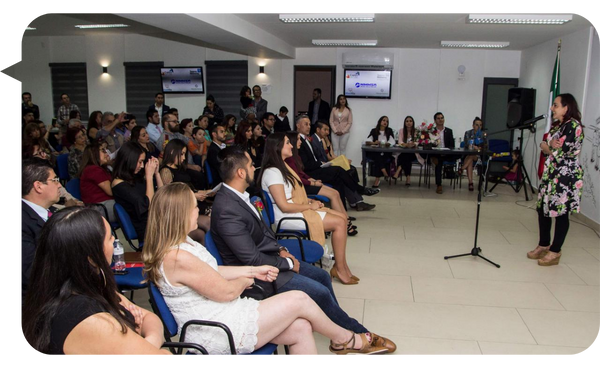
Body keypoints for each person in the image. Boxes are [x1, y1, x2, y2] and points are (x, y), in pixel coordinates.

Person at [143, 183, 386, 357]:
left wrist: (252, 270)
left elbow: (213, 270)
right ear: (180, 214)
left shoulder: (182, 244)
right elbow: (226, 292)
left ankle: (344, 339)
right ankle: (345, 339)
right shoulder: (176, 257)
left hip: (223, 313)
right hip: (216, 327)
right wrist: (246, 280)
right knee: (299, 299)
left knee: (301, 327)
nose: (199, 210)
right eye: (194, 207)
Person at [210, 146, 396, 354]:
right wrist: (288, 263)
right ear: (241, 173)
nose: (255, 167)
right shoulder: (227, 208)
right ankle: (354, 335)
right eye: (251, 165)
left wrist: (281, 250)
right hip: (259, 277)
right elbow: (251, 258)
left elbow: (264, 234)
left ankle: (339, 331)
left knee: (322, 277)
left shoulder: (241, 197)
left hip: (271, 259)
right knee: (320, 292)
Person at [21, 206, 170, 358]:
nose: (114, 243)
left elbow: (150, 319)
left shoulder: (83, 287)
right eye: (110, 239)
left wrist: (148, 343)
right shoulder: (83, 315)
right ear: (91, 258)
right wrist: (149, 345)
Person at [259, 133, 359, 284]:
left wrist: (309, 201)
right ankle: (339, 268)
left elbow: (292, 196)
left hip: (295, 210)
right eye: (288, 143)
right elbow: (284, 205)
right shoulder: (272, 172)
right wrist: (309, 205)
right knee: (339, 222)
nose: (292, 145)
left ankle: (342, 266)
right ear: (278, 147)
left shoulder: (282, 166)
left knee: (343, 217)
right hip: (287, 217)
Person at [528, 93, 585, 266]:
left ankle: (555, 251)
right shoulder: (558, 126)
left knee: (561, 213)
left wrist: (549, 146)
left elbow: (559, 150)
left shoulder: (574, 126)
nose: (552, 108)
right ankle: (543, 244)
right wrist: (548, 145)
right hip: (551, 175)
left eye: (556, 105)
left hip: (565, 177)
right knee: (543, 209)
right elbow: (546, 144)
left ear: (566, 108)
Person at [296, 115, 377, 212]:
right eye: (306, 124)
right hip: (311, 173)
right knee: (338, 170)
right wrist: (321, 163)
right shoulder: (298, 141)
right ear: (298, 125)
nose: (309, 126)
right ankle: (359, 189)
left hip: (317, 168)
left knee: (339, 180)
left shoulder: (307, 139)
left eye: (309, 124)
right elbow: (306, 164)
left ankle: (342, 212)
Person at [19, 158, 63, 326]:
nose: (59, 185)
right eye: (55, 180)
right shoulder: (22, 221)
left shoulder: (49, 212)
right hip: (39, 304)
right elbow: (28, 273)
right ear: (38, 186)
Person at [286, 131, 356, 236]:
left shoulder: (296, 156)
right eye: (298, 139)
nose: (300, 141)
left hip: (306, 183)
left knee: (335, 193)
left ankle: (346, 219)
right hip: (302, 187)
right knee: (333, 194)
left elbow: (302, 173)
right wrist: (312, 183)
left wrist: (312, 179)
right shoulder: (290, 159)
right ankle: (346, 224)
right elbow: (297, 178)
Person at [159, 139, 212, 244]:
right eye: (182, 154)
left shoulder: (179, 168)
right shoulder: (166, 171)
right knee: (209, 222)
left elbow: (189, 188)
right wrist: (193, 196)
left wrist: (205, 192)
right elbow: (170, 197)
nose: (183, 158)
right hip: (180, 212)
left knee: (213, 216)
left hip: (190, 205)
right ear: (172, 152)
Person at [111, 141, 164, 242]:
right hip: (147, 228)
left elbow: (162, 195)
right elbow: (148, 205)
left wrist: (156, 174)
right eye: (140, 162)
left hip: (156, 220)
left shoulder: (135, 176)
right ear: (129, 160)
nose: (142, 166)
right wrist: (149, 176)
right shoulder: (118, 184)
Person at [77, 142, 117, 223]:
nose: (107, 153)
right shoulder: (92, 169)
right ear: (94, 153)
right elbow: (111, 191)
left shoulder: (101, 168)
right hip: (99, 208)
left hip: (105, 204)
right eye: (103, 151)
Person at [365, 116, 396, 188]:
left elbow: (392, 141)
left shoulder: (389, 130)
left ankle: (377, 179)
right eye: (384, 120)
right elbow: (367, 141)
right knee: (378, 156)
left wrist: (388, 144)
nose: (385, 122)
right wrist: (374, 143)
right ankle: (384, 171)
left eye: (387, 121)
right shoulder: (374, 130)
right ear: (380, 121)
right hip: (376, 152)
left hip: (386, 152)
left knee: (379, 159)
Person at [430, 112, 455, 194]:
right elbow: (428, 144)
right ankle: (439, 185)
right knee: (439, 163)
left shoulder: (449, 131)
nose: (440, 120)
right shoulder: (431, 131)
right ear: (435, 120)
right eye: (438, 118)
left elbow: (452, 145)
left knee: (459, 154)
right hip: (436, 153)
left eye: (442, 118)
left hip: (447, 152)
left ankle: (460, 169)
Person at [458, 117, 485, 191]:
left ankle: (462, 168)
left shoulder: (483, 134)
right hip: (468, 154)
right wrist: (473, 146)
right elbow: (466, 144)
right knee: (470, 160)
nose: (478, 127)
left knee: (473, 155)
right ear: (473, 125)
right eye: (477, 125)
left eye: (480, 125)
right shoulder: (468, 133)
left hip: (478, 155)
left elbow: (485, 145)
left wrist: (479, 148)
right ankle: (470, 183)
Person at [395, 115, 420, 185]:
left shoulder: (416, 131)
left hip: (414, 153)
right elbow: (400, 142)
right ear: (405, 123)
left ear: (413, 122)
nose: (409, 123)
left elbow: (418, 142)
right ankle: (408, 177)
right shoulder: (401, 131)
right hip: (403, 152)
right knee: (406, 157)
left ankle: (399, 169)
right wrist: (406, 145)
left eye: (410, 121)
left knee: (406, 156)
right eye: (407, 121)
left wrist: (413, 144)